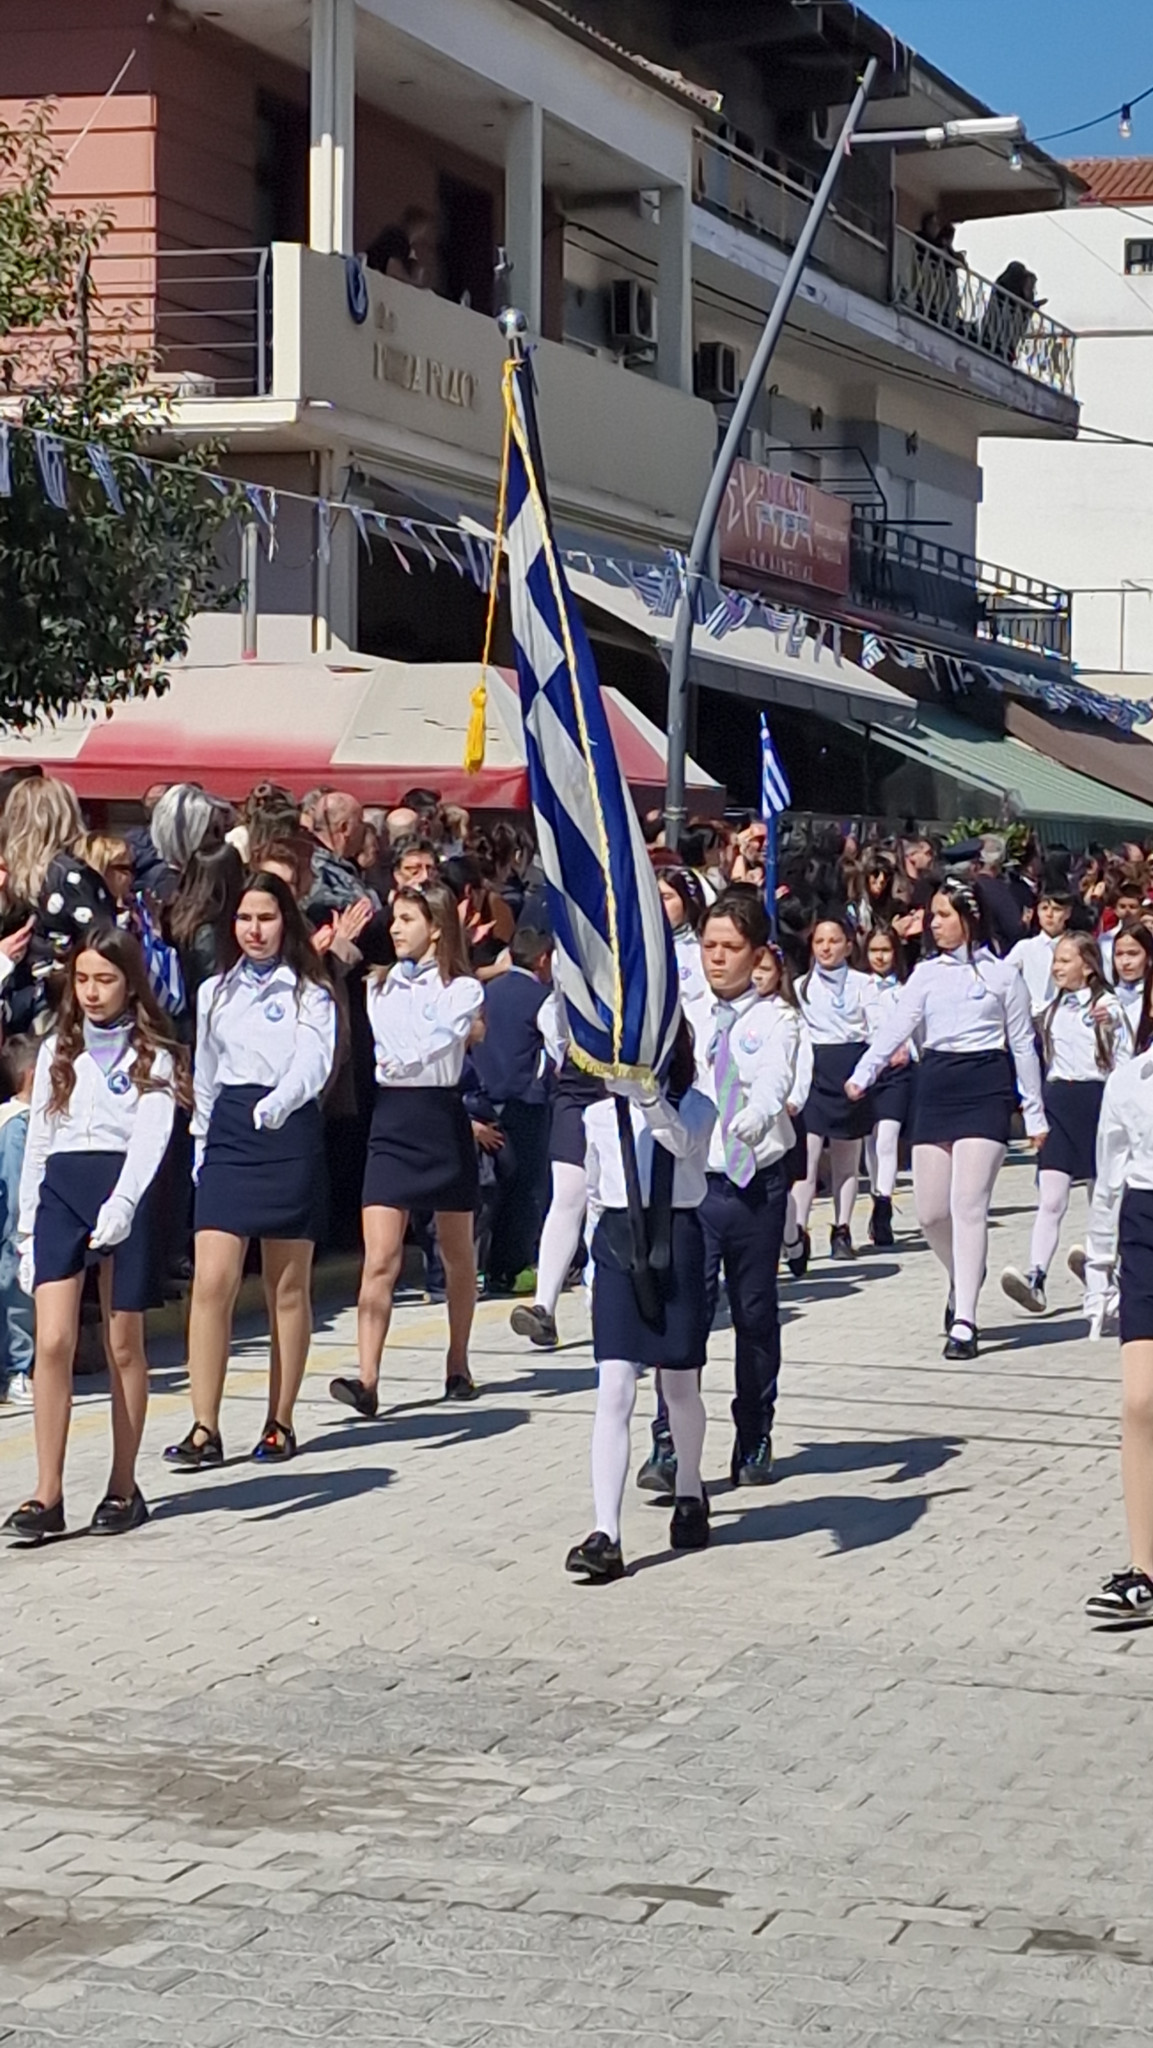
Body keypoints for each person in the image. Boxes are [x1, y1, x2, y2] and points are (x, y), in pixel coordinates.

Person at [5, 930, 188, 1540]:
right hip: (63, 1188)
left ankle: (122, 1484)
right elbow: (39, 1141)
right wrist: (29, 1228)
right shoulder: (60, 1047)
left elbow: (151, 1138)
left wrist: (126, 1201)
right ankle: (46, 1492)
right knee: (52, 1341)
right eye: (82, 979)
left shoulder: (151, 1054)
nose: (91, 992)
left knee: (123, 1344)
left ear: (130, 982)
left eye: (104, 979)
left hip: (121, 1193)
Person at [164, 874, 338, 1471]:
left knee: (286, 1287)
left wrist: (281, 1101)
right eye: (244, 918)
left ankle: (280, 1420)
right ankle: (203, 1426)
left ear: (285, 922)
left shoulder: (308, 991)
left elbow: (315, 1061)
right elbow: (207, 1072)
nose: (254, 930)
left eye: (265, 918)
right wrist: (202, 1140)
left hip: (287, 1131)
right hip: (232, 1132)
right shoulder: (215, 990)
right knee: (213, 1281)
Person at [847, 877, 1046, 1361]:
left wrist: (1035, 1113)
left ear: (968, 918)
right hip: (936, 1084)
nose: (932, 923)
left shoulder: (1002, 975)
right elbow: (898, 1028)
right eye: (931, 915)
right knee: (931, 1212)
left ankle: (966, 1319)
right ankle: (963, 1271)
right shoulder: (925, 974)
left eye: (942, 915)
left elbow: (1022, 1044)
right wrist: (863, 1073)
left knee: (968, 1205)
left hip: (985, 1085)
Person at [564, 1022, 716, 1583]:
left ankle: (690, 1489)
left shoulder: (696, 1106)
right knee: (615, 1386)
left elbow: (680, 1144)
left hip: (675, 1239)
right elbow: (596, 1195)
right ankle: (607, 1532)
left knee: (679, 1384)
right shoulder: (597, 1117)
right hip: (619, 1248)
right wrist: (588, 1274)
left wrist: (650, 1100)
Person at [331, 880, 484, 1416]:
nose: (395, 929)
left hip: (439, 1116)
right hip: (393, 1121)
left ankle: (459, 1360)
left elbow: (447, 1034)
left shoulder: (463, 989)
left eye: (407, 919)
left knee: (456, 1252)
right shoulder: (379, 985)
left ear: (437, 928)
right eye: (394, 919)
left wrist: (411, 1057)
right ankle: (367, 1376)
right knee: (381, 1256)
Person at [686, 893, 799, 1485]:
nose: (718, 959)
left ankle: (754, 1433)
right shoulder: (687, 1012)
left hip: (754, 1183)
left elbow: (776, 1076)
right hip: (694, 1184)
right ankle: (670, 1440)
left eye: (731, 948)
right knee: (688, 1314)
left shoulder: (775, 1019)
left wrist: (756, 1116)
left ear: (756, 954)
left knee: (754, 1313)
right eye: (709, 946)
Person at [1002, 933, 1126, 1317]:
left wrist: (1111, 1017)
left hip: (1098, 1102)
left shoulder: (1106, 1004)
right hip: (1059, 1102)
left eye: (1066, 960)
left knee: (1101, 1197)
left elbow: (1120, 1023)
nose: (1056, 967)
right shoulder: (1050, 1008)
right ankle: (1036, 1277)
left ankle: (1107, 1273)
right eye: (1055, 960)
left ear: (1088, 966)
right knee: (1051, 1198)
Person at [1082, 1025, 1153, 1616]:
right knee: (1140, 1401)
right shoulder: (1130, 1081)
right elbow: (1109, 1179)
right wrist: (1099, 1266)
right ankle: (1143, 1571)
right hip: (1146, 1225)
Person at [510, 990, 602, 1352]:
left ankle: (606, 1308)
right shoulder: (571, 952)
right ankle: (543, 1307)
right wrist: (561, 1047)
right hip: (577, 1080)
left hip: (625, 1077)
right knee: (567, 1194)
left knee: (608, 1200)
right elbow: (552, 1006)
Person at [469, 927, 554, 1296]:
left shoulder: (486, 993)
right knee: (524, 1189)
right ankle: (512, 1267)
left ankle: (484, 1267)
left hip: (483, 1101)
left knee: (491, 1189)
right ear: (543, 960)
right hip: (525, 1103)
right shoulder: (543, 999)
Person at [793, 914, 874, 1261]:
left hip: (851, 1067)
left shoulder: (863, 984)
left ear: (848, 946)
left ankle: (842, 1229)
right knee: (806, 1162)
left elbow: (875, 1027)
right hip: (814, 1071)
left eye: (834, 941)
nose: (826, 948)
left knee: (846, 1161)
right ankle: (797, 1232)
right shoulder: (800, 987)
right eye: (819, 942)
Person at [861, 925, 914, 1249]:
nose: (880, 957)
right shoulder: (860, 989)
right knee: (871, 1140)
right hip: (867, 1071)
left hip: (898, 1073)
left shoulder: (907, 990)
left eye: (886, 950)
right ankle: (874, 1192)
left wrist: (908, 1050)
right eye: (874, 951)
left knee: (887, 1137)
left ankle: (884, 1203)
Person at [0, 1036, 37, 1405]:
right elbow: (15, 1183)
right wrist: (23, 1229)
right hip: (12, 1231)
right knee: (16, 1298)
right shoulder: (18, 1125)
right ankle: (18, 1370)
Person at [304, 792, 380, 916]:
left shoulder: (344, 863)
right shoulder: (316, 868)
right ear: (345, 827)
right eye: (360, 821)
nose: (364, 829)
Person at [1006, 881, 1073, 1013]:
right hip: (1032, 1013)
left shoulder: (1075, 946)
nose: (1049, 914)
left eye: (1057, 909)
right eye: (1044, 908)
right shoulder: (1025, 947)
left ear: (1068, 913)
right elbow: (1004, 975)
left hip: (1064, 1013)